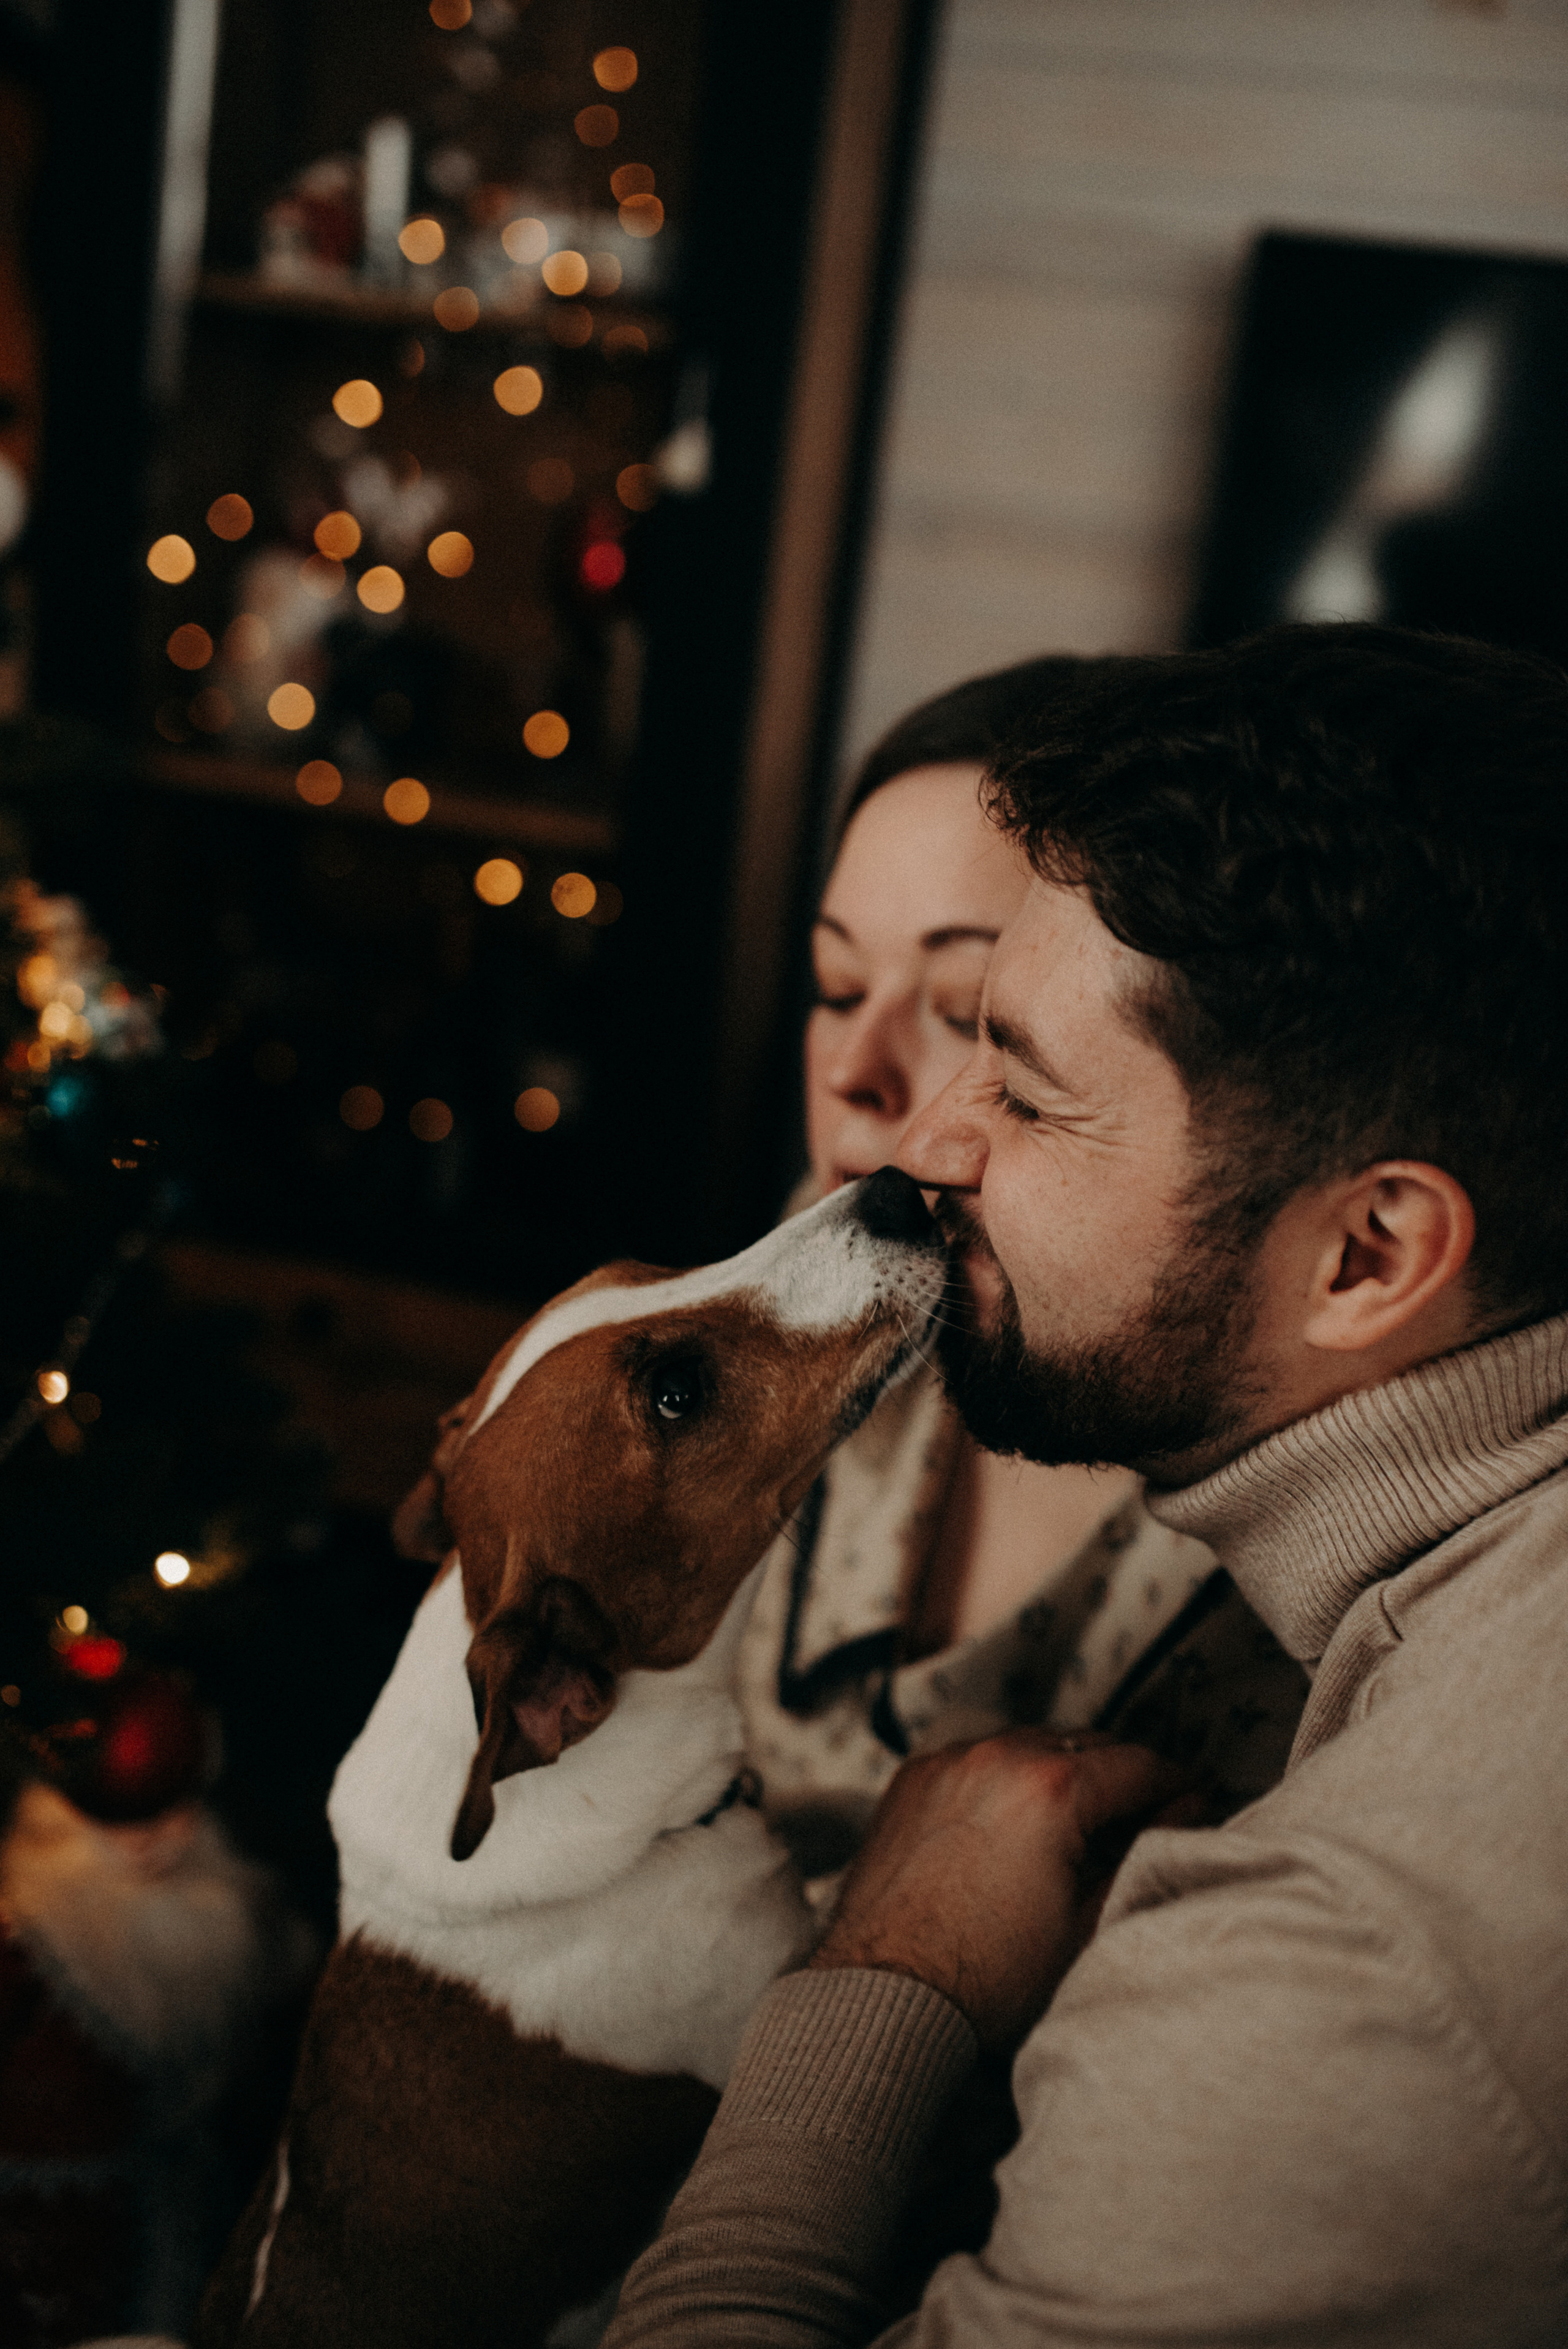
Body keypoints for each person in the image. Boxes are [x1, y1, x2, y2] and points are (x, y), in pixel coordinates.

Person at [603, 622, 1568, 2348]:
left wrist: (883, 1982)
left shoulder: (1339, 1966)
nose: (925, 1139)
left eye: (1031, 1096)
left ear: (1369, 1251)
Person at [739, 661, 1306, 1891]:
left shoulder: (1285, 1525)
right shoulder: (811, 1269)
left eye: (971, 1013)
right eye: (835, 986)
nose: (853, 1069)